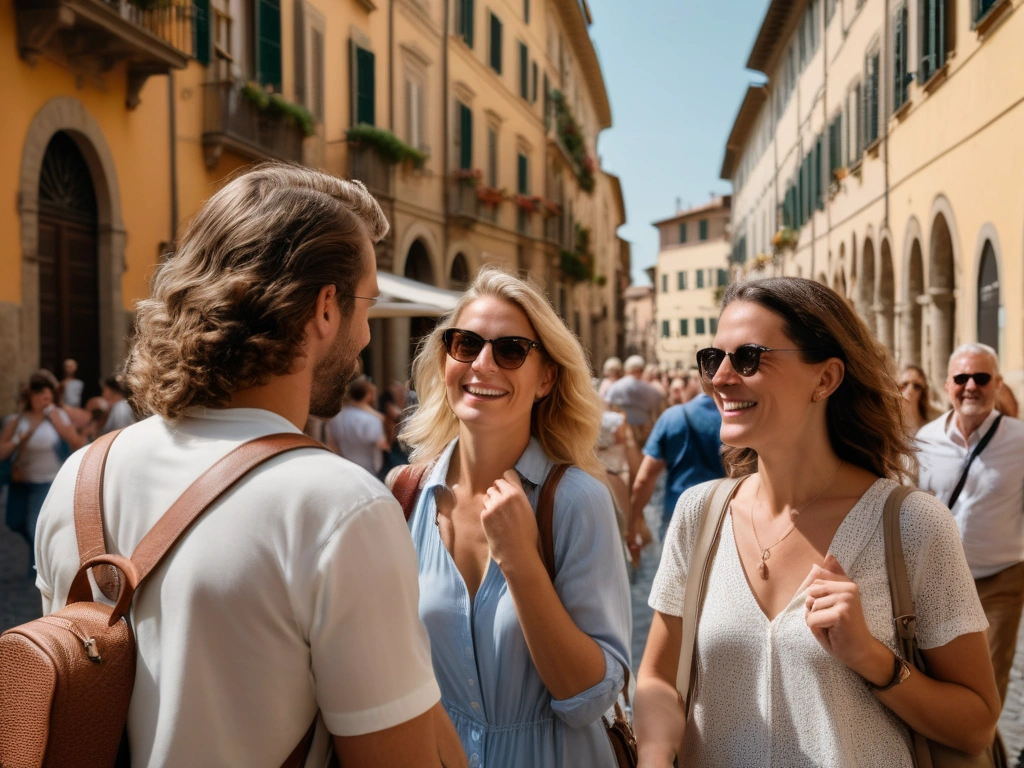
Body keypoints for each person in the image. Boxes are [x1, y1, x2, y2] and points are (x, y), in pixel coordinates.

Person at [33, 165, 463, 768]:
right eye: (366, 304)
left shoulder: (80, 476)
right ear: (325, 308)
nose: (366, 334)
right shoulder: (339, 505)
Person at [634, 277, 999, 767]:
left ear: (825, 379)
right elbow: (657, 678)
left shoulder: (913, 525)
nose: (719, 378)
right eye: (711, 358)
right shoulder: (700, 513)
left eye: (747, 358)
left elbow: (976, 725)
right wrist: (654, 756)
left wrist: (873, 658)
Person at [398, 266, 632, 768]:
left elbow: (591, 696)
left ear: (546, 377)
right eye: (465, 344)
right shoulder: (405, 494)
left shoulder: (576, 500)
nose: (483, 364)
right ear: (445, 361)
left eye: (510, 350)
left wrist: (521, 562)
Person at [916, 343, 1024, 704]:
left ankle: (983, 755)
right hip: (938, 580)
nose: (971, 386)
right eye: (961, 378)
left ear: (997, 384)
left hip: (1000, 581)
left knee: (990, 682)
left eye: (981, 377)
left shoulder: (1019, 441)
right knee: (940, 675)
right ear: (948, 386)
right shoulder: (924, 441)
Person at [0, 371, 85, 571]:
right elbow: (2, 452)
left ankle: (43, 570)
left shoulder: (58, 415)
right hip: (20, 481)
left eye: (49, 395)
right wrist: (16, 441)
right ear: (30, 397)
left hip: (48, 482)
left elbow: (75, 441)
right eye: (40, 395)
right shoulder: (16, 419)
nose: (45, 399)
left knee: (34, 525)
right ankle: (36, 552)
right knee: (14, 522)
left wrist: (55, 417)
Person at [627, 389, 725, 551]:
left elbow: (645, 478)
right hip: (723, 514)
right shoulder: (736, 418)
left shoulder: (672, 416)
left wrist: (632, 524)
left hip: (678, 513)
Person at [327, 376, 390, 475]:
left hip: (346, 469)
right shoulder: (372, 420)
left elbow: (332, 444)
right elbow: (383, 444)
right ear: (369, 395)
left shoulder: (336, 417)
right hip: (369, 472)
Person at [605, 355, 664, 448]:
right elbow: (658, 402)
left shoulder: (615, 386)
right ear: (639, 370)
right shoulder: (646, 387)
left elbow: (607, 404)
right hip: (643, 427)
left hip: (621, 428)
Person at [897, 364, 940, 435]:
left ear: (923, 391)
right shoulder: (889, 419)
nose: (910, 389)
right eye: (905, 384)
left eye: (916, 386)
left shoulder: (935, 418)